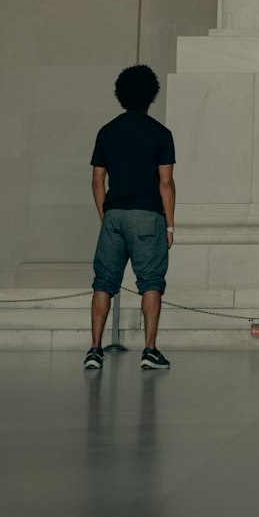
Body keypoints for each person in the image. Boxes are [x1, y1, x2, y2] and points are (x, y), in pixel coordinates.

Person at [83, 64, 176, 372]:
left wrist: (105, 215)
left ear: (120, 95)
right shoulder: (161, 133)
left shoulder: (107, 131)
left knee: (103, 282)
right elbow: (165, 183)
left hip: (114, 215)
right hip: (148, 216)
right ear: (151, 95)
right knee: (151, 282)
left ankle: (95, 350)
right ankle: (149, 350)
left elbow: (98, 180)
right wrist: (170, 225)